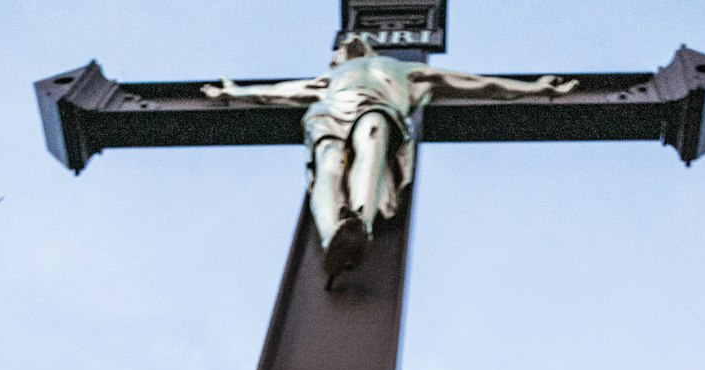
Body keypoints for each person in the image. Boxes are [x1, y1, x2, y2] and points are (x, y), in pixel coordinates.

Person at [201, 37, 577, 280]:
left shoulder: (404, 70)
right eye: (342, 44)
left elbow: (476, 83)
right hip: (328, 114)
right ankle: (334, 235)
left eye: (355, 40)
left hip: (379, 108)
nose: (349, 42)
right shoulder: (328, 79)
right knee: (329, 167)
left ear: (370, 47)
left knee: (373, 141)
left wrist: (532, 88)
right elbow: (277, 92)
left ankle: (358, 226)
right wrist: (235, 92)